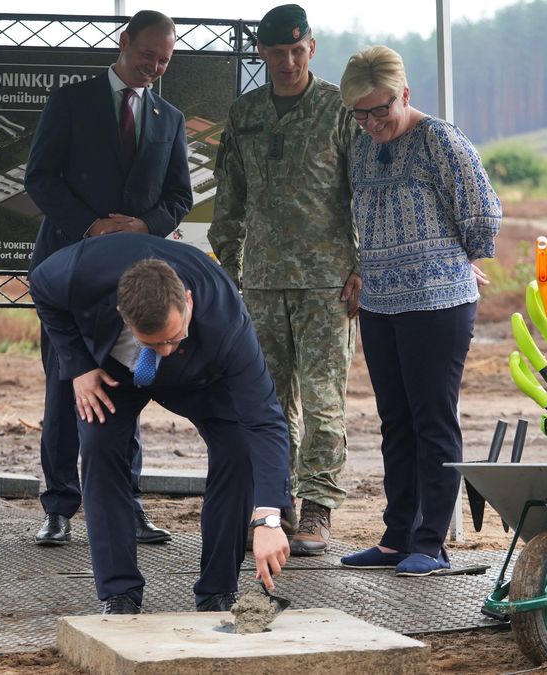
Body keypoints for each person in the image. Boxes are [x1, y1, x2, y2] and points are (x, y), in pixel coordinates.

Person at [28, 233, 293, 614]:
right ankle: (119, 594)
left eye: (172, 338)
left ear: (187, 302)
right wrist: (79, 366)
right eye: (154, 343)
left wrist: (268, 518)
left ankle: (218, 591)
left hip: (203, 372)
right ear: (123, 314)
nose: (165, 351)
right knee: (100, 449)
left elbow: (265, 421)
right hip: (116, 372)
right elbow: (41, 288)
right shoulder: (77, 272)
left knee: (237, 450)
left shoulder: (226, 320)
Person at [24, 10, 193, 548]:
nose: (154, 67)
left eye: (164, 60)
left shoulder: (169, 117)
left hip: (137, 280)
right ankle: (59, 507)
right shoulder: (71, 101)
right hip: (71, 267)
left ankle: (128, 505)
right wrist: (91, 225)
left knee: (128, 389)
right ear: (124, 43)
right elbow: (39, 178)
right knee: (65, 386)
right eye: (148, 55)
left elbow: (179, 198)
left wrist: (145, 227)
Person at [336, 45, 501, 576]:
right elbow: (360, 213)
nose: (372, 122)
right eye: (360, 113)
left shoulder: (440, 140)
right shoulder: (362, 148)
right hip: (381, 302)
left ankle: (431, 542)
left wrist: (461, 259)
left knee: (432, 419)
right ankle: (395, 536)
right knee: (395, 422)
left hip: (436, 303)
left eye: (380, 109)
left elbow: (481, 208)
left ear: (405, 94)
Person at [208, 3, 359, 556]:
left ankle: (317, 507)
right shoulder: (244, 113)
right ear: (262, 54)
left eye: (297, 51)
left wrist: (362, 264)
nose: (289, 61)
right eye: (277, 53)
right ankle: (277, 504)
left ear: (311, 48)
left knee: (323, 399)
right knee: (267, 399)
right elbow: (230, 199)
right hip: (263, 282)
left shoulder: (338, 109)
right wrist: (226, 272)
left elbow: (361, 190)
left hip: (327, 284)